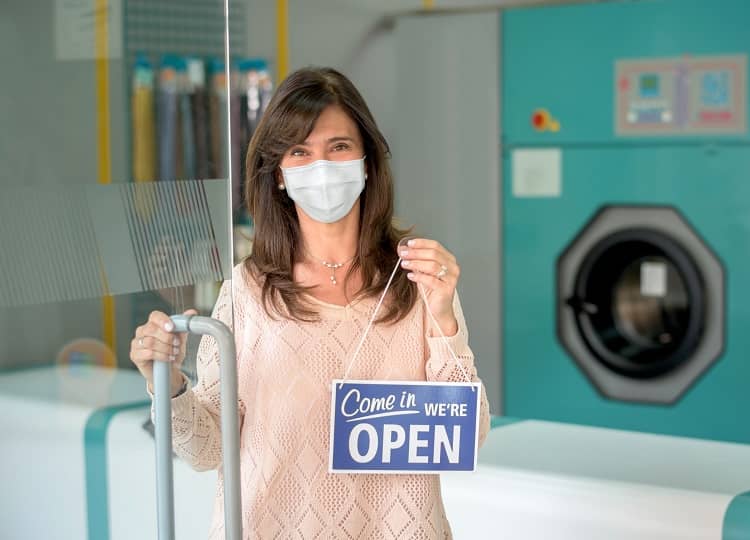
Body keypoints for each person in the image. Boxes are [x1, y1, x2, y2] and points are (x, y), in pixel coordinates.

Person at [131, 66, 491, 539]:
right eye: (299, 152)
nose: (321, 167)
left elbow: (468, 435)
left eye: (338, 147)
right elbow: (206, 449)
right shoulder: (247, 292)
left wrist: (443, 318)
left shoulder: (418, 279)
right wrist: (166, 379)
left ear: (367, 160)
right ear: (277, 174)